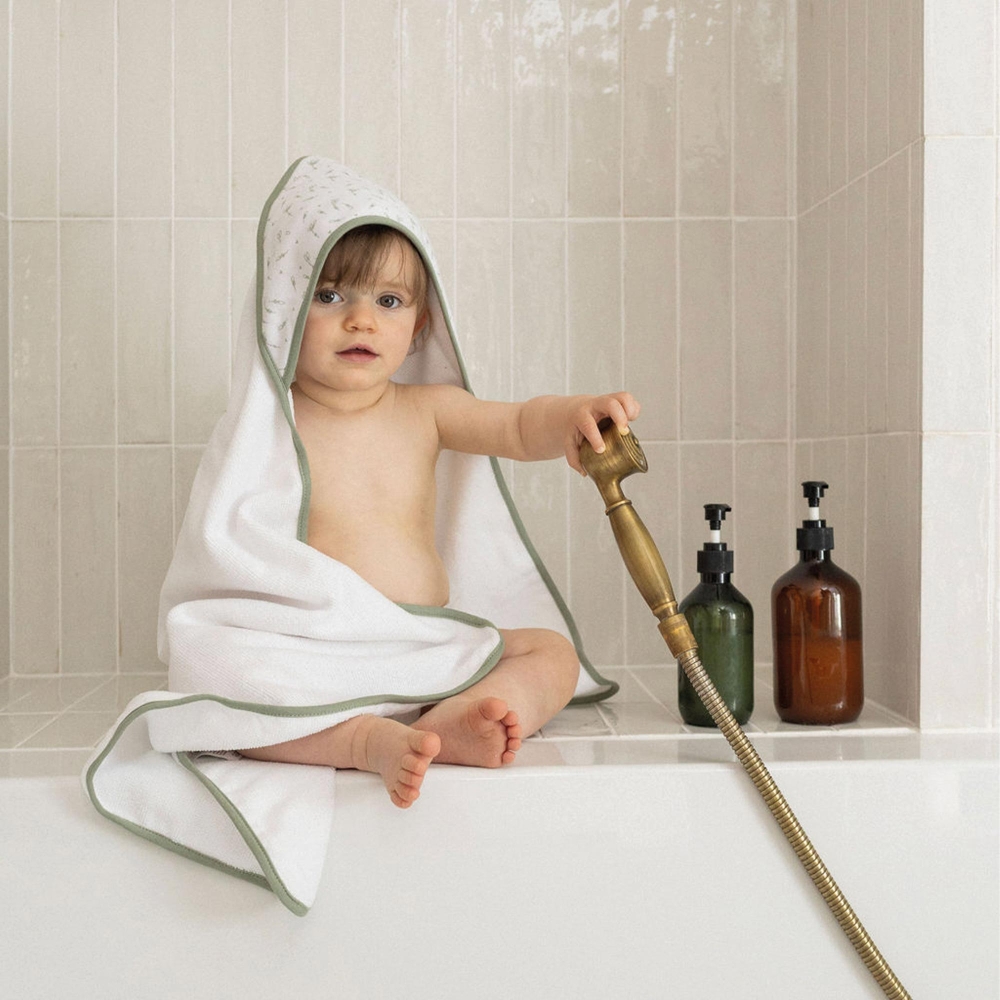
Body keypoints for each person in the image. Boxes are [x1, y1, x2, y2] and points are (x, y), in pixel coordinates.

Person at [238, 224, 639, 808]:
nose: (361, 320)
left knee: (551, 653)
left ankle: (457, 720)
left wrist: (574, 415)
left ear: (419, 325)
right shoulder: (270, 422)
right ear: (284, 315)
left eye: (389, 301)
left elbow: (519, 426)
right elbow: (232, 537)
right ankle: (360, 741)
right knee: (231, 694)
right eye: (329, 296)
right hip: (315, 650)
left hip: (418, 644)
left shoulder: (427, 410)